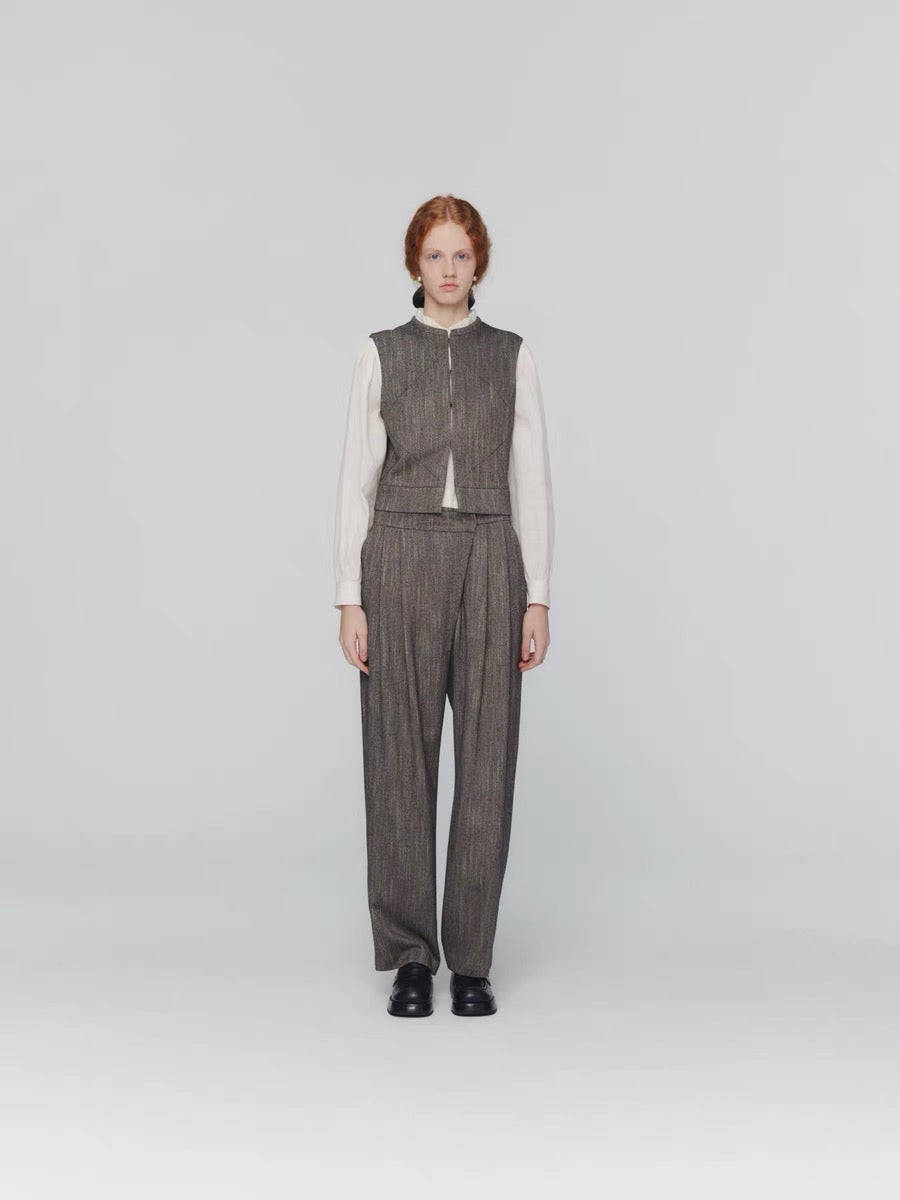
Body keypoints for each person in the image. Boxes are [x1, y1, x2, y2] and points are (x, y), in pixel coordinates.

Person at [333, 194, 554, 1017]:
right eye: (435, 256)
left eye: (462, 255)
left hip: (492, 555)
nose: (449, 270)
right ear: (415, 264)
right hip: (398, 553)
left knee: (488, 757)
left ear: (478, 262)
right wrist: (349, 597)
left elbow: (532, 479)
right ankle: (410, 957)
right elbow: (355, 480)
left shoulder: (512, 356)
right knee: (398, 754)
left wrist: (538, 595)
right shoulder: (382, 353)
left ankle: (471, 960)